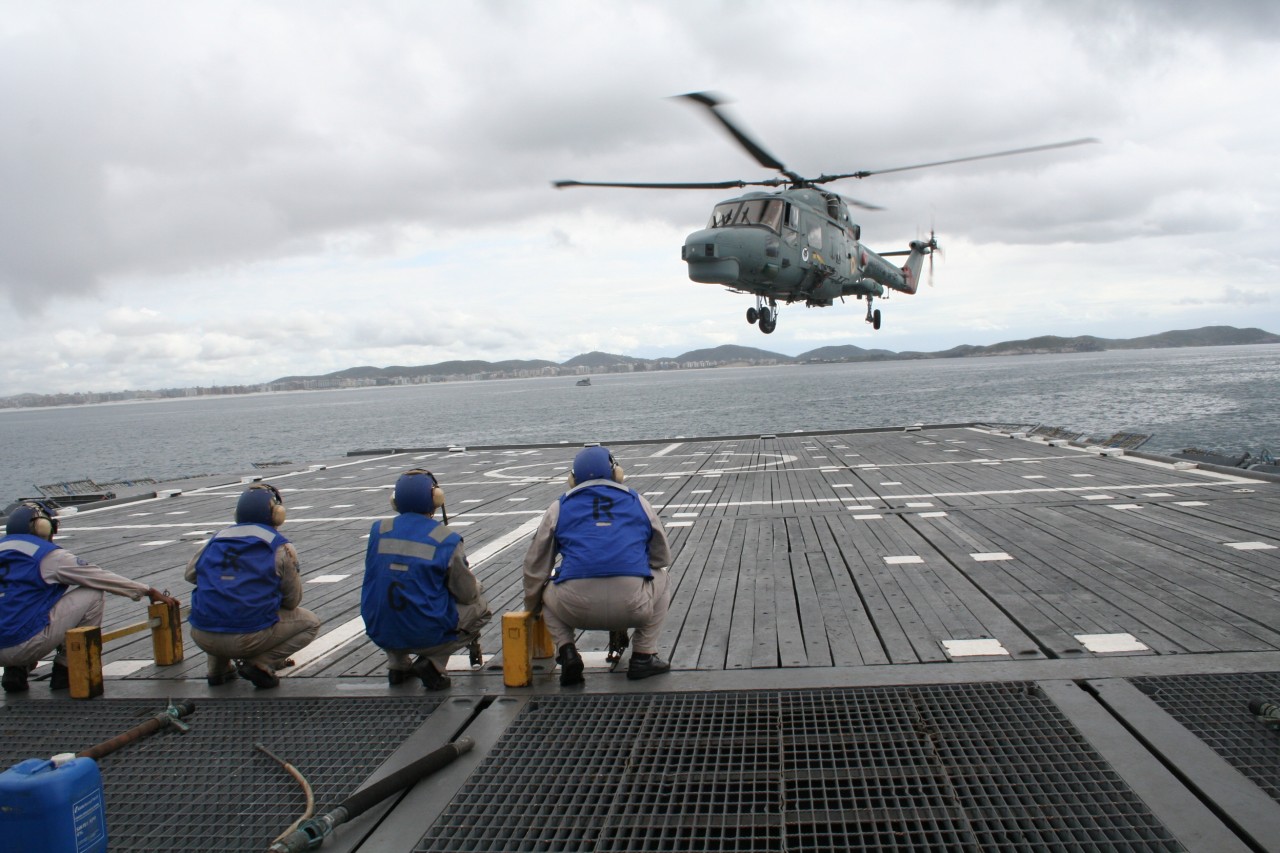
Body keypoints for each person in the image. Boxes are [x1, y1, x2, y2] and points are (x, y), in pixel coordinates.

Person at [522, 446, 672, 686]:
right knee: (663, 578)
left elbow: (535, 567)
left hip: (575, 608)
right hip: (633, 604)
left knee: (543, 588)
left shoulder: (558, 508)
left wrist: (532, 608)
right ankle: (644, 654)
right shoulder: (637, 501)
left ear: (572, 479)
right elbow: (661, 558)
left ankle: (567, 650)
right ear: (616, 474)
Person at [1, 502, 179, 694]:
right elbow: (99, 577)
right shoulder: (49, 556)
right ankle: (66, 668)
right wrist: (148, 591)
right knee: (93, 593)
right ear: (41, 527)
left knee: (18, 606)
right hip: (25, 644)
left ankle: (15, 671)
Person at [361, 469, 490, 690]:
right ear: (436, 499)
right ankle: (433, 663)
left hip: (379, 628)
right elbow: (466, 593)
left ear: (395, 500)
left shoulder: (378, 530)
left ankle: (397, 665)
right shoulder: (446, 539)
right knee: (481, 608)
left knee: (390, 606)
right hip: (424, 631)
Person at [186, 483, 320, 688]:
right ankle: (260, 663)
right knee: (310, 623)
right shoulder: (279, 547)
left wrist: (225, 580)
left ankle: (216, 670)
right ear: (277, 515)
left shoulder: (214, 541)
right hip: (247, 637)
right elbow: (292, 600)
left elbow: (190, 575)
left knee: (217, 603)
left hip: (201, 634)